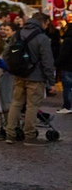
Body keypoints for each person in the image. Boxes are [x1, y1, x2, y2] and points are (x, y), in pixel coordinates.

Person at [5, 12, 58, 146]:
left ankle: (10, 134)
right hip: (36, 77)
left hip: (18, 76)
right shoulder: (42, 37)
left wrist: (14, 69)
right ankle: (29, 136)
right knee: (32, 106)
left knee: (16, 103)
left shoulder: (17, 34)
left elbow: (6, 54)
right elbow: (47, 61)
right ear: (43, 22)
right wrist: (52, 82)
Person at [57, 20, 72, 114]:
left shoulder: (68, 40)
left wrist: (57, 63)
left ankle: (67, 106)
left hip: (67, 66)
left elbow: (63, 54)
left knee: (67, 87)